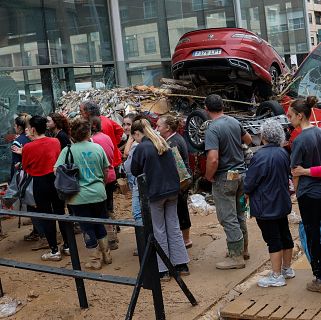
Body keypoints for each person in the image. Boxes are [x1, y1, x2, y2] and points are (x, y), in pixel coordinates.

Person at [131, 118, 190, 281]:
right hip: (172, 191)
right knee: (173, 226)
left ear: (137, 133)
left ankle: (163, 269)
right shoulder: (162, 141)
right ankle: (181, 264)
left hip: (156, 192)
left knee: (159, 230)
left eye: (133, 136)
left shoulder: (142, 147)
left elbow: (135, 170)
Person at [55, 118, 112, 270]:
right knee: (99, 223)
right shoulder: (97, 148)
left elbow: (56, 170)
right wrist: (101, 183)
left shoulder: (67, 150)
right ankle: (106, 254)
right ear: (88, 132)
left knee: (87, 227)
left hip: (78, 196)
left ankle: (94, 260)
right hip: (99, 192)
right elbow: (106, 170)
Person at [244, 120, 294, 287]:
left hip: (266, 205)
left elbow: (250, 183)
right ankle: (287, 269)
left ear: (263, 136)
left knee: (273, 240)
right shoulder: (283, 153)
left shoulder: (260, 156)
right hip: (281, 201)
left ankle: (276, 275)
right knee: (285, 235)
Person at [204, 94, 252, 270]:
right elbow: (248, 140)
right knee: (239, 214)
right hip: (240, 175)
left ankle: (236, 256)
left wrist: (209, 176)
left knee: (227, 217)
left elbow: (213, 159)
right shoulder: (233, 121)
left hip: (224, 177)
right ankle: (243, 249)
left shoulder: (212, 129)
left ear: (206, 109)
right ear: (223, 107)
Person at [13, 115, 69, 261]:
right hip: (55, 181)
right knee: (60, 213)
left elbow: (26, 166)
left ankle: (54, 250)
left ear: (32, 129)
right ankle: (68, 246)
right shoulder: (55, 141)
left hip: (39, 183)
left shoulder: (28, 147)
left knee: (46, 216)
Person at [287, 96, 321, 293]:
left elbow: (295, 171)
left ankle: (318, 276)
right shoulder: (319, 132)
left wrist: (297, 194)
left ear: (300, 116)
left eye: (291, 116)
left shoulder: (299, 140)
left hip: (308, 193)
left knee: (312, 233)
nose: (289, 119)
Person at [156, 115, 192, 248]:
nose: (157, 129)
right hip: (182, 180)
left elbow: (177, 166)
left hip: (180, 181)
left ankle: (186, 239)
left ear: (167, 128)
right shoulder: (174, 138)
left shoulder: (173, 142)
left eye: (159, 126)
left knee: (181, 210)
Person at [90, 116, 119, 250]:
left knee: (102, 209)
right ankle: (114, 235)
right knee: (108, 207)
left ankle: (111, 239)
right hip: (111, 174)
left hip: (102, 177)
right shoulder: (106, 137)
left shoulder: (93, 141)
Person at [79, 101, 124, 168]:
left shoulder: (97, 126)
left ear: (88, 113)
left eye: (81, 111)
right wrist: (114, 143)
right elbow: (120, 130)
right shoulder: (104, 119)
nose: (80, 113)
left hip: (107, 165)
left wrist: (114, 143)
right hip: (113, 159)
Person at [123, 113, 142, 224]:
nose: (125, 127)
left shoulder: (136, 142)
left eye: (129, 124)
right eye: (124, 124)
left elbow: (126, 153)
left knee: (138, 212)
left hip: (137, 180)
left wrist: (130, 138)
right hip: (133, 179)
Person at [11, 113, 31, 179]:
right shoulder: (31, 137)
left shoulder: (17, 142)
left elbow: (16, 164)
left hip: (21, 176)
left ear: (19, 127)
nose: (14, 127)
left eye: (15, 125)